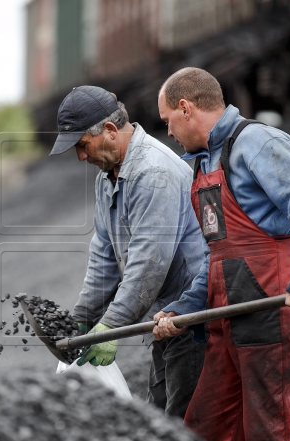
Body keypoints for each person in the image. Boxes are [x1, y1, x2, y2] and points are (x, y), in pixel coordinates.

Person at [153, 67, 290, 441]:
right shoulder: (203, 164)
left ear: (186, 108)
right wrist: (182, 309)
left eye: (167, 121)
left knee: (275, 438)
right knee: (206, 436)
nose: (168, 132)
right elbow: (220, 256)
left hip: (271, 313)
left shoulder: (254, 142)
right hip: (228, 320)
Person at [49, 85, 207, 418]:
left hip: (195, 318)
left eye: (82, 146)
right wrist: (81, 320)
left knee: (187, 428)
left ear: (109, 131)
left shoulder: (153, 172)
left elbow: (149, 263)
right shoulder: (108, 178)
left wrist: (110, 326)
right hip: (166, 321)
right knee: (163, 419)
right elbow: (104, 258)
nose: (80, 157)